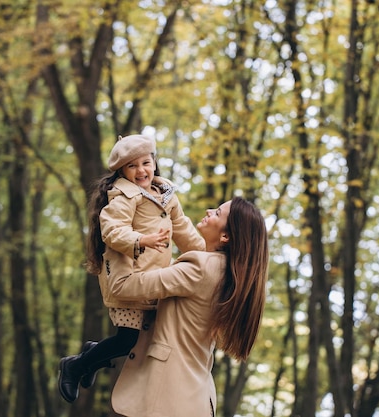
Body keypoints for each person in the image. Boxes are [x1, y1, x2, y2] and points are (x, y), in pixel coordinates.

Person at [58, 134, 205, 403]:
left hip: (151, 281)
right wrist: (141, 239)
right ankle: (75, 365)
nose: (141, 171)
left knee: (138, 341)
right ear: (122, 172)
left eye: (146, 163)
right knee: (127, 340)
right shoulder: (123, 196)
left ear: (154, 163)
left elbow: (183, 229)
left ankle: (92, 357)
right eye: (132, 166)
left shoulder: (166, 195)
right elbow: (112, 230)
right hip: (127, 276)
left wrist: (208, 254)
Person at [107, 196, 269, 417]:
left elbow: (124, 287)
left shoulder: (202, 268)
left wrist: (118, 239)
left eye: (218, 213)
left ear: (226, 236)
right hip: (196, 399)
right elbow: (188, 236)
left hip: (168, 400)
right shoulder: (228, 275)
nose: (209, 210)